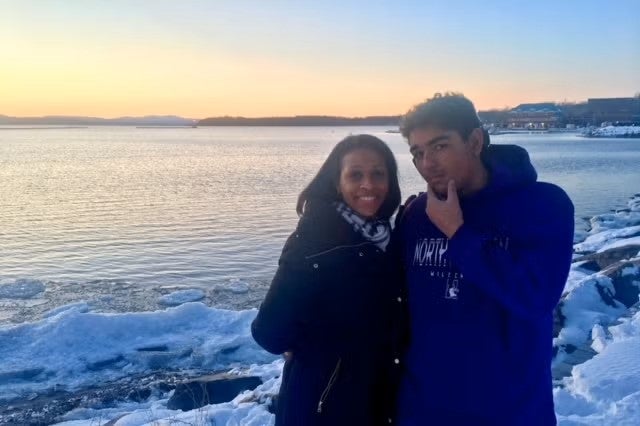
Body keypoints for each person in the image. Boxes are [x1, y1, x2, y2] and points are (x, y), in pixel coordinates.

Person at [394, 93, 574, 425]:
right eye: (418, 153)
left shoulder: (543, 206)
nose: (427, 163)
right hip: (423, 408)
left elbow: (536, 297)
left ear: (475, 141)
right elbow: (391, 297)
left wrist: (457, 233)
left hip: (509, 410)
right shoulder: (417, 214)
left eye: (439, 146)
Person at [251, 134, 407, 425]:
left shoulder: (388, 239)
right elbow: (270, 333)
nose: (368, 185)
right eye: (355, 175)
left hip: (375, 403)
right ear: (337, 182)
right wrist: (318, 344)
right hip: (323, 407)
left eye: (378, 174)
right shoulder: (312, 242)